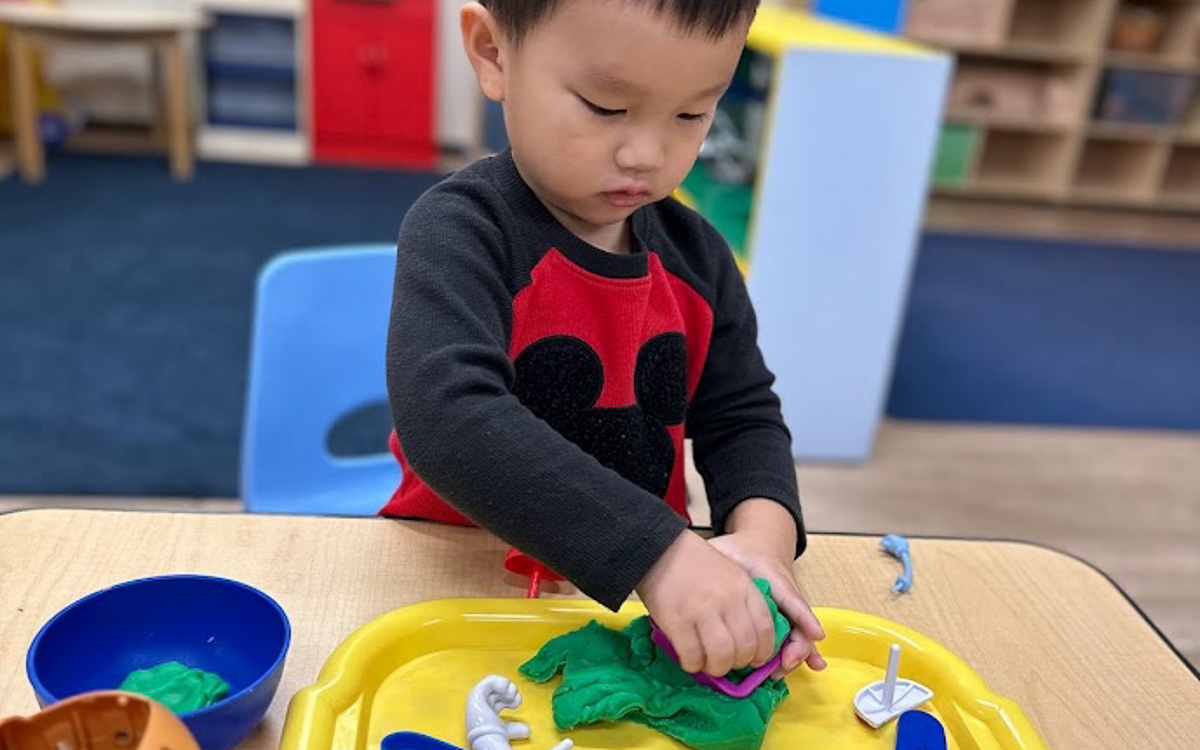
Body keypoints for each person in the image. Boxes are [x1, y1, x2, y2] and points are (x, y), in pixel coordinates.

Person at [384, 0, 826, 680]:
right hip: (459, 587)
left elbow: (742, 416)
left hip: (639, 610)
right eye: (605, 107)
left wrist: (761, 545)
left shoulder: (699, 259)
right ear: (494, 53)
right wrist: (661, 553)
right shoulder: (461, 230)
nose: (646, 154)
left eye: (692, 114)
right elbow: (449, 419)